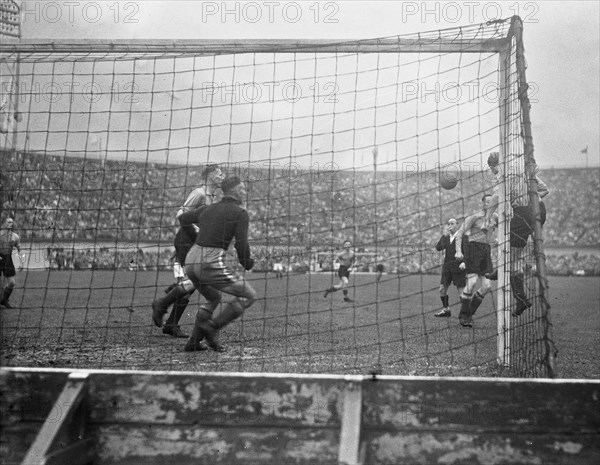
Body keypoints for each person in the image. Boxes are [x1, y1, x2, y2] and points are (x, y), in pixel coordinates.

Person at [152, 176, 257, 352]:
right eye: (243, 189)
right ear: (234, 191)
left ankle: (188, 336)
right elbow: (241, 244)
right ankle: (213, 327)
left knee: (213, 297)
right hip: (210, 259)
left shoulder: (208, 209)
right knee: (249, 294)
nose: (245, 192)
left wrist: (195, 238)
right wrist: (247, 262)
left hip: (192, 258)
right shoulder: (240, 214)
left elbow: (183, 219)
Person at [158, 164, 224, 338]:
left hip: (195, 243)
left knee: (191, 284)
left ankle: (171, 320)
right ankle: (167, 309)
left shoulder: (211, 197)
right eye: (219, 173)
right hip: (186, 241)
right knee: (192, 282)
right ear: (210, 175)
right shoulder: (199, 194)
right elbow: (181, 214)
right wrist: (196, 232)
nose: (222, 176)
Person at [486, 152, 549, 316]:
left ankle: (521, 300)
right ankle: (501, 271)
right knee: (510, 249)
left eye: (491, 167)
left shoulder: (502, 175)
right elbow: (544, 190)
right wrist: (530, 199)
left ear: (493, 166)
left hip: (521, 214)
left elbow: (495, 198)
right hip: (535, 213)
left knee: (512, 258)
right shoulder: (522, 170)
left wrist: (487, 218)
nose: (491, 171)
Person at [454, 195, 498, 327]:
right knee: (472, 283)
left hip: (486, 251)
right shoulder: (475, 217)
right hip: (473, 250)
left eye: (492, 202)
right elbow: (460, 233)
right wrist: (458, 251)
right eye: (487, 202)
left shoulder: (496, 217)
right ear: (483, 204)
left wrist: (494, 241)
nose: (489, 204)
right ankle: (464, 315)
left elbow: (491, 235)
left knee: (487, 287)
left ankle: (469, 313)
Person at [434, 218, 466, 318]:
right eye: (448, 224)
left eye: (452, 223)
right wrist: (443, 235)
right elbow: (438, 248)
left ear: (457, 225)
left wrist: (464, 262)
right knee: (442, 289)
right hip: (447, 267)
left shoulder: (463, 237)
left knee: (462, 292)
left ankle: (466, 314)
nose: (450, 226)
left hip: (459, 267)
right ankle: (446, 310)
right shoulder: (446, 237)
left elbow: (469, 253)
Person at [0, 216, 25, 309]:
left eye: (12, 222)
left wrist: (22, 262)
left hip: (7, 259)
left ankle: (3, 300)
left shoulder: (15, 236)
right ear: (4, 223)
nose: (11, 224)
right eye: (8, 222)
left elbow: (20, 250)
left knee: (12, 282)